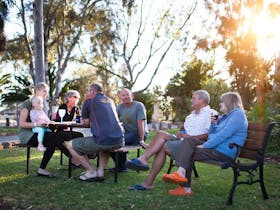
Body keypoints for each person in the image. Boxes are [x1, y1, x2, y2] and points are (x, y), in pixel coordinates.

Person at [162, 92, 248, 196]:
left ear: (229, 103)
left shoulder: (238, 114)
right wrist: (213, 124)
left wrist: (205, 146)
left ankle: (184, 186)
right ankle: (182, 177)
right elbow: (212, 135)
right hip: (215, 149)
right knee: (188, 141)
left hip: (224, 152)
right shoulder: (224, 117)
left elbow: (223, 135)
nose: (220, 104)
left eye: (222, 102)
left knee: (189, 151)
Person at [126, 90, 215, 190]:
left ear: (201, 100)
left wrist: (188, 137)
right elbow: (185, 131)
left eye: (193, 98)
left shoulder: (211, 114)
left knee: (162, 147)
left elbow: (210, 135)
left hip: (195, 144)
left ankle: (147, 180)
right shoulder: (191, 116)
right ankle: (144, 160)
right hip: (182, 140)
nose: (191, 100)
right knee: (161, 133)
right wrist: (182, 133)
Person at [18, 82, 84, 177]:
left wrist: (50, 123)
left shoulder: (40, 104)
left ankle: (42, 170)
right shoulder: (28, 103)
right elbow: (22, 124)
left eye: (47, 92)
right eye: (44, 91)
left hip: (41, 133)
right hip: (28, 135)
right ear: (37, 90)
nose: (46, 94)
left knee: (56, 139)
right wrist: (38, 124)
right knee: (55, 138)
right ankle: (74, 159)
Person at [66, 83, 124, 182]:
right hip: (119, 140)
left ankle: (91, 171)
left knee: (70, 145)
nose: (87, 93)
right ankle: (100, 172)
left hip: (103, 139)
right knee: (104, 145)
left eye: (88, 91)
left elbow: (86, 122)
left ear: (93, 91)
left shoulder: (89, 101)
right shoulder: (110, 100)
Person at [110, 88, 149, 172]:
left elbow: (140, 124)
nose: (125, 97)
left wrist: (142, 140)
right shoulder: (120, 107)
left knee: (116, 141)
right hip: (126, 134)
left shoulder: (138, 105)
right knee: (109, 141)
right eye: (123, 95)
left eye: (127, 94)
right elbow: (114, 120)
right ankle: (122, 165)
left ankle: (122, 165)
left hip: (138, 134)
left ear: (132, 96)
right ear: (120, 97)